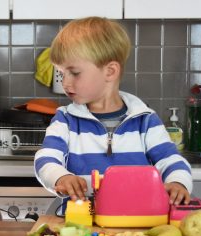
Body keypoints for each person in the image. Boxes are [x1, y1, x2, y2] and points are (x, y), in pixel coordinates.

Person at [34, 17, 192, 206]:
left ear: (110, 71)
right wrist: (60, 177)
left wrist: (177, 182)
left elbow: (171, 159)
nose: (65, 83)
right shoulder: (65, 120)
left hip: (136, 225)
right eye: (61, 73)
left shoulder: (145, 120)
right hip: (81, 225)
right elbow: (46, 159)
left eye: (74, 73)